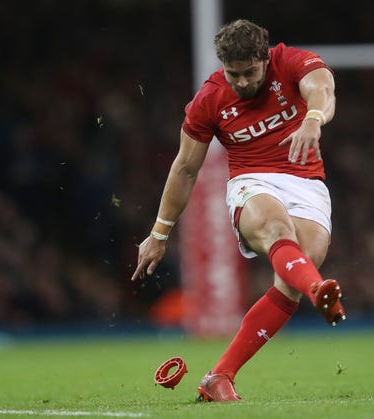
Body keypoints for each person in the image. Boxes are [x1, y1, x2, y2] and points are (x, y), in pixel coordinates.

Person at [131, 18, 345, 402]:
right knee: (279, 231)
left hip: (306, 181)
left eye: (249, 73)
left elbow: (322, 88)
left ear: (265, 59)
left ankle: (219, 376)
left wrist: (313, 120)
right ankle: (317, 290)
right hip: (252, 181)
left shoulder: (292, 62)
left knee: (300, 265)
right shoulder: (210, 98)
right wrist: (159, 233)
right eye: (234, 74)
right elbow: (185, 167)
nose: (242, 82)